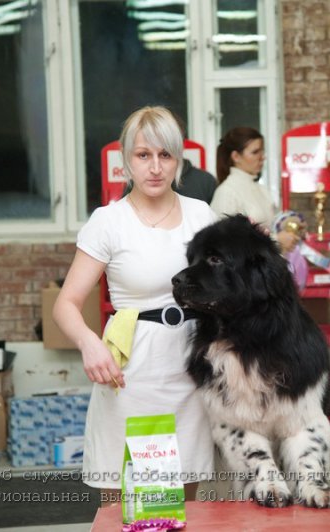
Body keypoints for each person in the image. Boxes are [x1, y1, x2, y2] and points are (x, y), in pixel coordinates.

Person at [52, 106, 215, 505]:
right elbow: (66, 304)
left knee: (183, 511)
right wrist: (91, 344)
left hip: (193, 371)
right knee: (132, 510)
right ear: (127, 160)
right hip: (132, 375)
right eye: (143, 155)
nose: (155, 167)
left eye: (165, 155)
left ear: (179, 159)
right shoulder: (109, 221)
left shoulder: (202, 214)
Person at [211, 127, 299, 254]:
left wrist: (290, 227)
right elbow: (223, 242)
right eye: (255, 152)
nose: (262, 157)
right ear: (236, 156)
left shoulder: (262, 190)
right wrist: (276, 240)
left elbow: (270, 228)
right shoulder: (226, 192)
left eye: (262, 152)